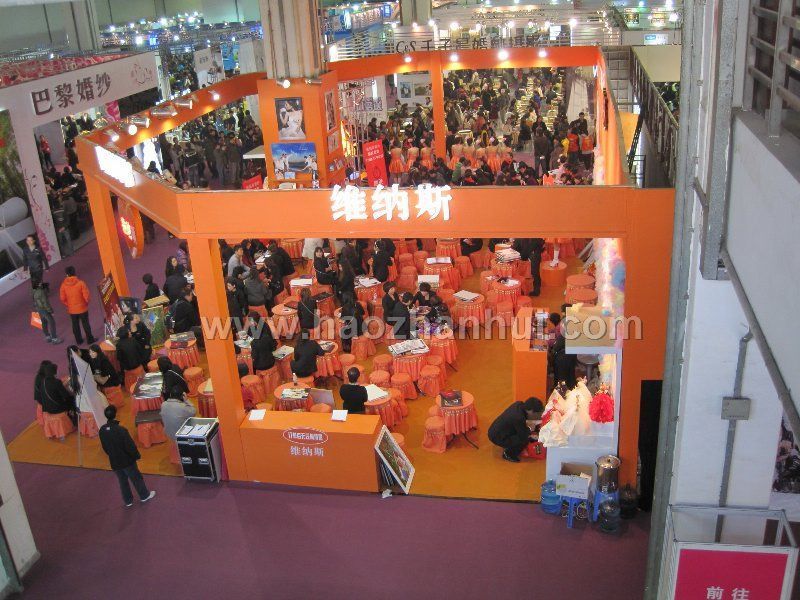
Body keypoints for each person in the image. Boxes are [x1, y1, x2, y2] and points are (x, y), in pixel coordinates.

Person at [99, 405, 156, 507]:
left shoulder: (102, 430)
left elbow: (105, 447)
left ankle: (128, 500)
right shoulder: (121, 430)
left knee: (122, 481)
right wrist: (136, 456)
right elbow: (130, 446)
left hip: (114, 461)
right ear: (116, 414)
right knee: (136, 478)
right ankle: (144, 495)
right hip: (127, 461)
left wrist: (112, 455)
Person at [488, 397, 544, 462]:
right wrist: (531, 434)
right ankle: (508, 454)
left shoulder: (518, 404)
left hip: (495, 430)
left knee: (525, 432)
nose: (536, 415)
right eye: (536, 413)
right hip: (497, 437)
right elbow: (523, 435)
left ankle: (509, 443)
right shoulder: (518, 418)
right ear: (531, 410)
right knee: (524, 440)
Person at [59, 266, 95, 345]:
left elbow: (62, 298)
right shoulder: (81, 283)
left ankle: (79, 340)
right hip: (82, 308)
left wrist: (68, 305)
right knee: (86, 324)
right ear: (74, 272)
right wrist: (85, 303)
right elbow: (86, 296)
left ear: (66, 274)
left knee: (75, 325)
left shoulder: (63, 285)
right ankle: (90, 339)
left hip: (72, 310)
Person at [31, 278, 62, 344]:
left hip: (39, 309)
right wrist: (50, 311)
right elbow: (45, 302)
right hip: (44, 309)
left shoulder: (33, 291)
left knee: (44, 322)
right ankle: (54, 338)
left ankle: (47, 336)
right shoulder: (41, 292)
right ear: (39, 284)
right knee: (52, 322)